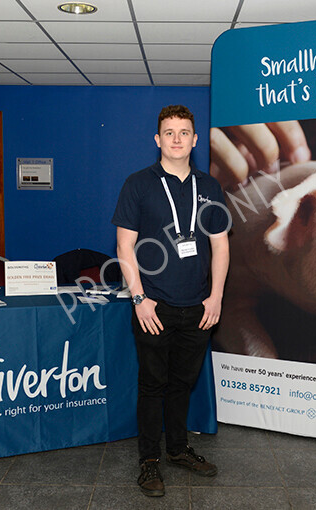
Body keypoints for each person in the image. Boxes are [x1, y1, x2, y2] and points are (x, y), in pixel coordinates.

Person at [112, 104, 230, 497]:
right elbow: (124, 247)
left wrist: (216, 297)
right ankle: (149, 462)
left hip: (198, 307)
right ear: (157, 139)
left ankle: (178, 449)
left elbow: (221, 245)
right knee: (152, 386)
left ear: (194, 140)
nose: (176, 139)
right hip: (154, 308)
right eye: (169, 132)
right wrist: (139, 299)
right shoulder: (138, 184)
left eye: (184, 132)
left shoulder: (209, 187)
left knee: (183, 384)